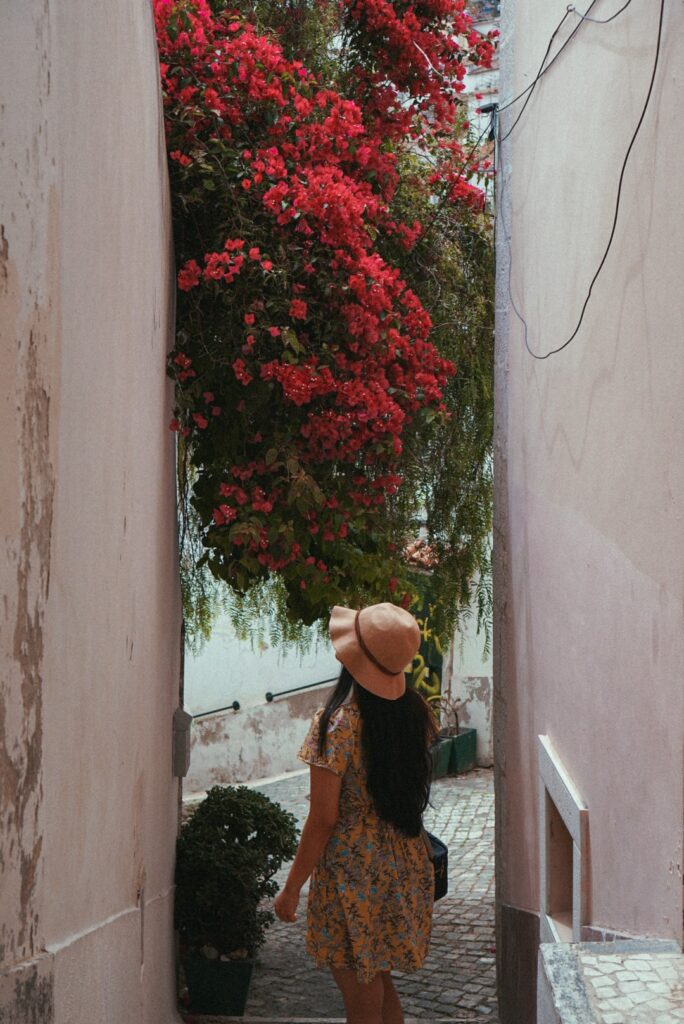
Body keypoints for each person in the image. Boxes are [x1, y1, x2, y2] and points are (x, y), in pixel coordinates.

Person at [274, 602, 438, 1024]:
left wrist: (292, 887)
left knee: (361, 989)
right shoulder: (416, 714)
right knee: (378, 980)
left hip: (354, 871)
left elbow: (323, 818)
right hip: (403, 859)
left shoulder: (338, 726)